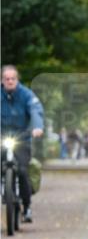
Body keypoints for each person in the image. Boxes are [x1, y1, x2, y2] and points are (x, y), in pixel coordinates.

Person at [1, 65, 44, 222]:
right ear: (2, 80)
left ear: (17, 79)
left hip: (22, 139)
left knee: (23, 171)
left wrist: (37, 127)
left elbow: (35, 110)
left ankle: (27, 207)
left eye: (13, 78)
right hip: (1, 138)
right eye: (7, 79)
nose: (10, 81)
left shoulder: (26, 94)